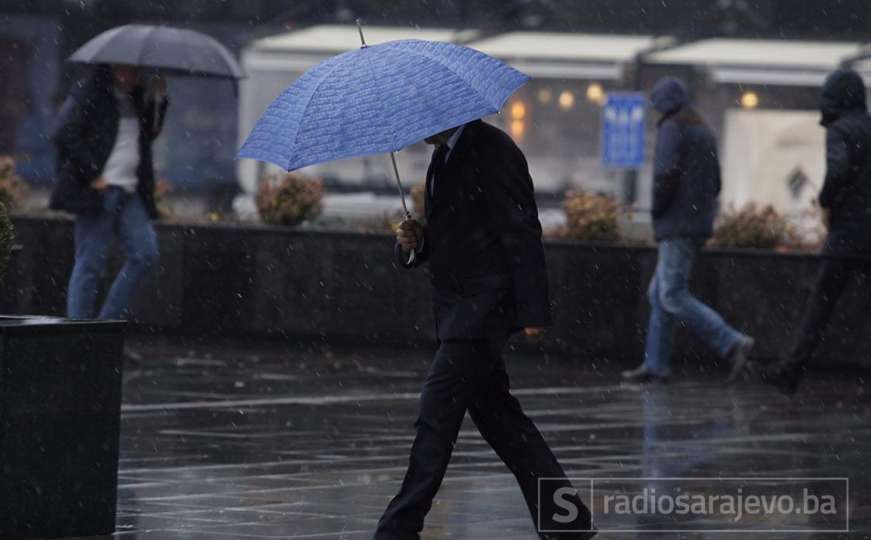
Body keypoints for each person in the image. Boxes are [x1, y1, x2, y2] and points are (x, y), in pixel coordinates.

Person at [375, 120, 595, 539]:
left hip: (482, 311)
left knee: (435, 419)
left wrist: (533, 311)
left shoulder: (495, 150)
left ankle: (398, 528)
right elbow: (454, 235)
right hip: (458, 310)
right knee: (503, 424)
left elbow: (521, 230)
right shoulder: (443, 157)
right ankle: (568, 521)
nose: (413, 123)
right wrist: (415, 242)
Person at [622, 77, 754, 385]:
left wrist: (657, 211)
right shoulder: (703, 130)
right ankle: (655, 365)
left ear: (662, 105)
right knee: (658, 294)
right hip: (697, 224)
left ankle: (732, 341)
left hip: (676, 225)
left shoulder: (672, 128)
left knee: (671, 294)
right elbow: (717, 183)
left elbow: (664, 176)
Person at [757, 68, 871, 394]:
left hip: (848, 235)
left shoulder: (839, 130)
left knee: (820, 304)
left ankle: (790, 370)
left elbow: (838, 171)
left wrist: (825, 200)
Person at [51, 64, 168, 320]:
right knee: (90, 262)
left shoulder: (135, 97)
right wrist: (92, 173)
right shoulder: (90, 93)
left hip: (130, 190)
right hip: (100, 191)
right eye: (125, 69)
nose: (131, 75)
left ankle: (107, 323)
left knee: (145, 253)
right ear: (112, 68)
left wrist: (158, 98)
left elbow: (149, 133)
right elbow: (64, 132)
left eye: (136, 70)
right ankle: (78, 332)